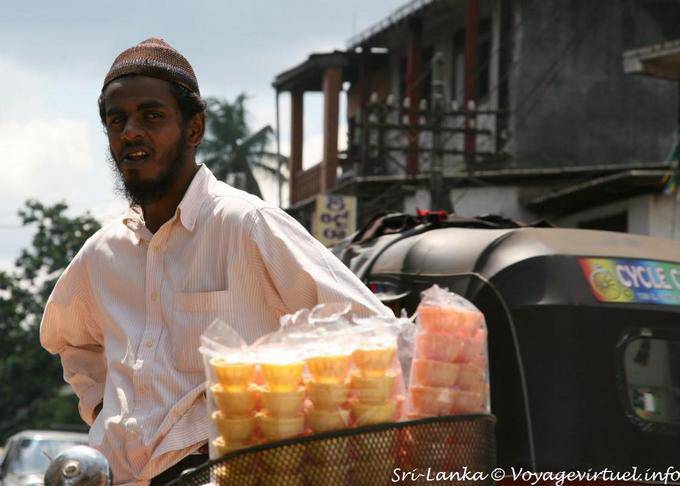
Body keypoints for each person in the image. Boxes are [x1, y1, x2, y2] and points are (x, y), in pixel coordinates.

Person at [39, 38, 390, 485]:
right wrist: (102, 407)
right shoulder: (101, 254)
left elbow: (368, 328)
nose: (130, 132)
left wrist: (294, 421)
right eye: (117, 120)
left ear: (194, 128)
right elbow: (72, 342)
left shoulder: (248, 225)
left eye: (151, 115)